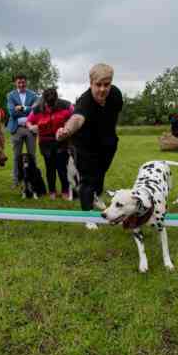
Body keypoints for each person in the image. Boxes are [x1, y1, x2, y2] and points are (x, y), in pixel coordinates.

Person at [56, 63, 123, 230]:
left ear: (111, 83)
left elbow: (114, 114)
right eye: (98, 85)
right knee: (88, 180)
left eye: (106, 84)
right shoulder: (84, 101)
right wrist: (66, 131)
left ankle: (95, 196)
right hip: (85, 145)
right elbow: (77, 118)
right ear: (91, 83)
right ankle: (88, 217)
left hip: (108, 142)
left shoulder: (116, 95)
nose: (102, 89)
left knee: (100, 175)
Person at [26, 87, 73, 199]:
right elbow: (28, 121)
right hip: (45, 142)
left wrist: (67, 127)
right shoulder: (37, 109)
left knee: (62, 167)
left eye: (53, 103)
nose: (51, 106)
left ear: (56, 99)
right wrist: (32, 127)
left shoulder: (66, 105)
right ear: (44, 100)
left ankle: (65, 190)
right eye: (48, 103)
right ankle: (52, 191)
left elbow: (75, 116)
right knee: (50, 167)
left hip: (61, 140)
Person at [6, 74, 38, 188]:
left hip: (30, 128)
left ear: (26, 82)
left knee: (32, 155)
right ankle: (16, 180)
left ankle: (34, 179)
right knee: (16, 156)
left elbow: (35, 111)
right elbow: (12, 112)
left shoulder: (33, 95)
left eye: (23, 82)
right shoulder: (10, 95)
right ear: (15, 83)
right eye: (19, 82)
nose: (21, 84)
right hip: (16, 129)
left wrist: (21, 107)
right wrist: (28, 109)